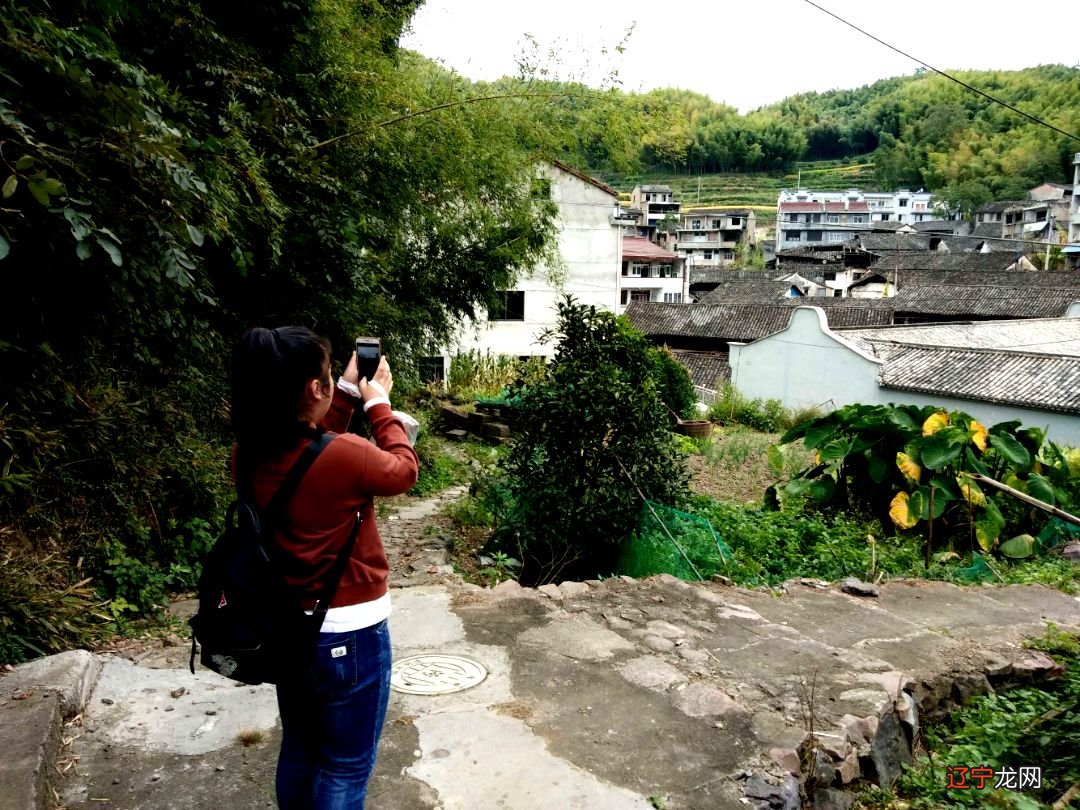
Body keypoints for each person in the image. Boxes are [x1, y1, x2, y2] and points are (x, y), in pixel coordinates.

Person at [230, 326, 419, 810]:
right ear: (315, 389)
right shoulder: (348, 457)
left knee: (301, 749)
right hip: (350, 634)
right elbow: (402, 469)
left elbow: (311, 448)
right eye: (329, 376)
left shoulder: (246, 454)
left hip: (288, 629)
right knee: (346, 765)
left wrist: (349, 389)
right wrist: (379, 403)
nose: (335, 380)